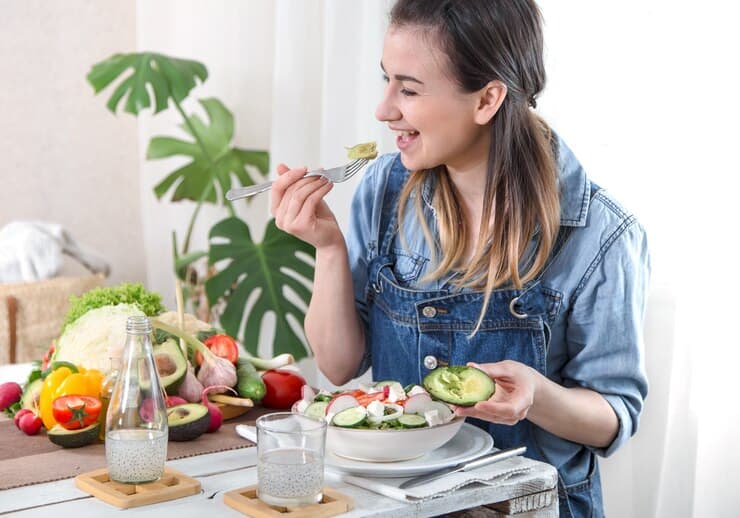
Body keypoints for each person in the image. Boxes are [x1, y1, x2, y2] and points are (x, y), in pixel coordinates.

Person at [270, 1, 649, 516]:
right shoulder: (382, 190)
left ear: (488, 98)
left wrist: (537, 395)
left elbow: (614, 415)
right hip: (400, 503)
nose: (383, 109)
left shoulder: (600, 233)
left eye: (408, 88)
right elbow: (338, 367)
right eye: (386, 81)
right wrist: (329, 247)